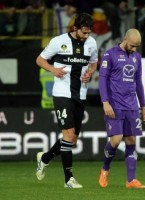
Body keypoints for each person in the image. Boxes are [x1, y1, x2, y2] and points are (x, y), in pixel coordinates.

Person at [35, 12, 98, 188]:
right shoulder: (58, 41)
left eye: (89, 33)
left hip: (81, 94)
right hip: (62, 93)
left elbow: (94, 62)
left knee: (72, 140)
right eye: (84, 32)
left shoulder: (91, 43)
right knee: (68, 135)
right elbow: (40, 60)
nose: (87, 36)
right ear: (75, 29)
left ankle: (45, 158)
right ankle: (68, 179)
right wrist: (53, 70)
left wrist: (90, 72)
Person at [98, 28, 145, 189]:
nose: (134, 49)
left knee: (131, 140)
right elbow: (102, 79)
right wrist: (105, 102)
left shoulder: (137, 57)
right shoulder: (110, 54)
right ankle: (105, 169)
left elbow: (138, 83)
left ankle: (131, 180)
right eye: (133, 46)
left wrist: (144, 106)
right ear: (125, 39)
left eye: (137, 47)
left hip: (132, 105)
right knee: (115, 139)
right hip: (114, 104)